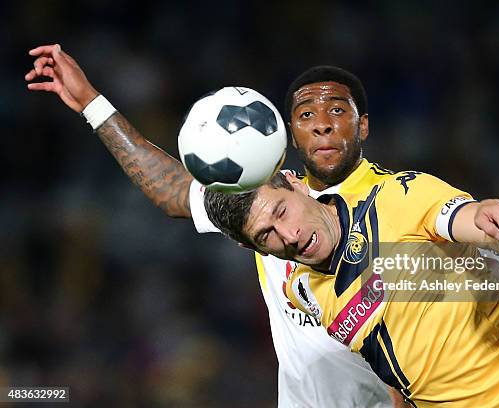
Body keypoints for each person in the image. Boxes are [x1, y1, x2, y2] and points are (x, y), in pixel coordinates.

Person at [26, 44, 401, 406]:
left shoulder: (398, 210)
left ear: (362, 126)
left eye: (337, 113)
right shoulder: (262, 199)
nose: (322, 127)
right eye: (307, 116)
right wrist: (91, 103)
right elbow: (173, 192)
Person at [203, 171, 499, 407]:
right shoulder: (305, 293)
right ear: (250, 247)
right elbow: (394, 370)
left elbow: (458, 217)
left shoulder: (394, 198)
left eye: (282, 210)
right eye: (266, 235)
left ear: (294, 183)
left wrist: (488, 217)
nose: (288, 234)